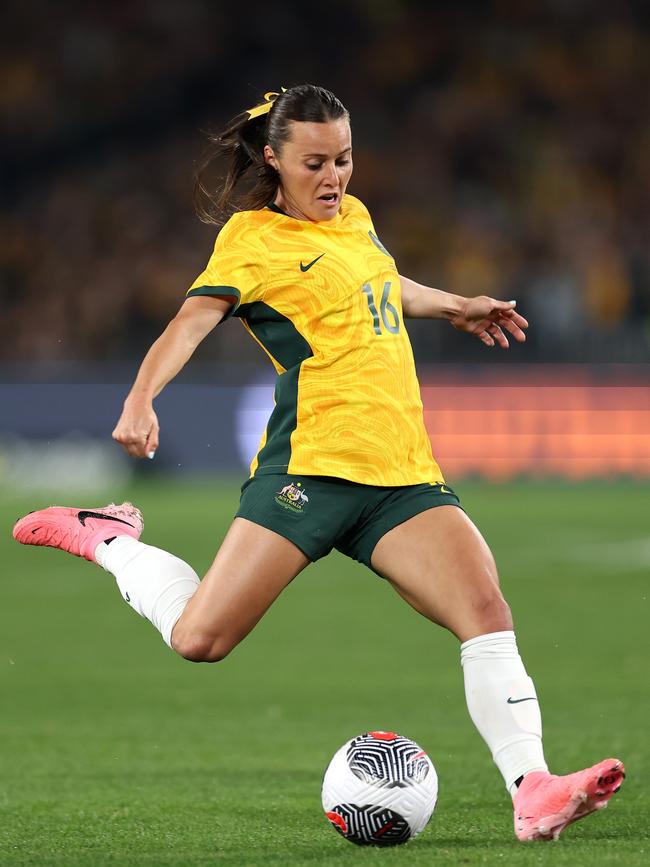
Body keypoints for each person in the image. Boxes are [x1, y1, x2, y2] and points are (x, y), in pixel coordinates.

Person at [13, 84, 623, 843]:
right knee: (202, 638)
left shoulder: (356, 218)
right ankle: (108, 538)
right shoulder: (251, 239)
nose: (334, 177)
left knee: (486, 612)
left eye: (344, 159)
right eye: (314, 163)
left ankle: (532, 789)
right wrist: (141, 396)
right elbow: (189, 320)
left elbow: (376, 286)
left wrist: (454, 303)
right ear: (274, 159)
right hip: (311, 472)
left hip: (401, 474)